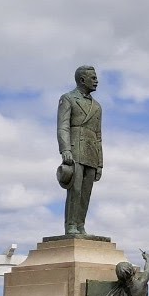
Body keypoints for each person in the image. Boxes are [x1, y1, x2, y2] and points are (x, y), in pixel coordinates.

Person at [56, 65, 102, 236]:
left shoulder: (97, 106)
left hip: (91, 153)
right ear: (82, 80)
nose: (96, 81)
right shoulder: (68, 98)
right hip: (75, 149)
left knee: (85, 192)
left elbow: (98, 135)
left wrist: (100, 163)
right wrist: (65, 149)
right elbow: (63, 127)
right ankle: (71, 226)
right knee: (75, 190)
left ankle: (80, 225)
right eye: (93, 78)